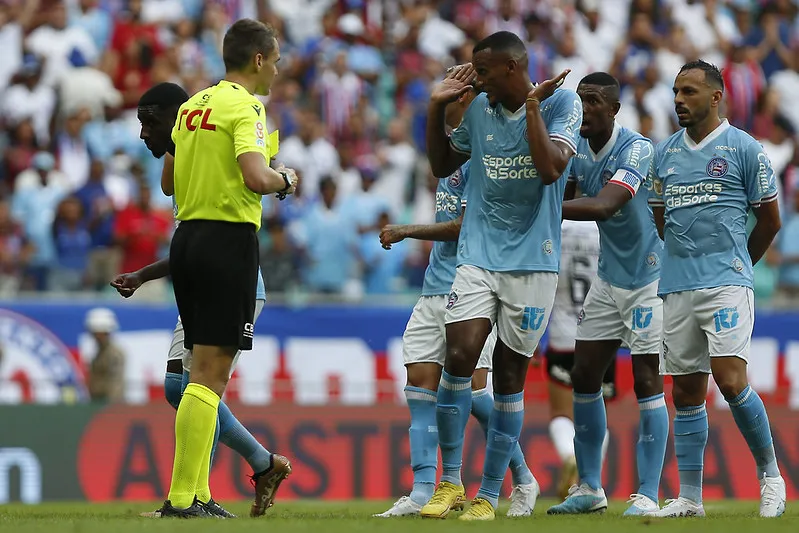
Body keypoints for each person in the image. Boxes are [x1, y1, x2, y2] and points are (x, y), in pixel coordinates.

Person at [420, 31, 582, 521]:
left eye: (484, 71)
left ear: (512, 68)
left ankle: (491, 495)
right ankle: (450, 482)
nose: (477, 80)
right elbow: (442, 163)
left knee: (510, 378)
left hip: (534, 262)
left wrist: (533, 105)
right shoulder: (477, 110)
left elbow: (551, 168)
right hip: (478, 254)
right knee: (460, 353)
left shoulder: (562, 104)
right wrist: (435, 109)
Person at [111, 81, 290, 519]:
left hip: (238, 280)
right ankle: (249, 470)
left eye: (150, 124)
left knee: (197, 385)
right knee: (186, 385)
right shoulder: (188, 159)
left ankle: (194, 496)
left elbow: (207, 231)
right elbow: (182, 222)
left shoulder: (210, 142)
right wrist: (143, 273)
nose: (143, 135)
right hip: (202, 272)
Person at [374, 84, 538, 519]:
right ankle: (425, 488)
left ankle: (521, 476)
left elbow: (466, 225)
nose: (450, 107)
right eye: (446, 100)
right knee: (419, 386)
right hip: (434, 287)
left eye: (458, 98)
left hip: (473, 287)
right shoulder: (449, 161)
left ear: (477, 102)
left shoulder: (488, 159)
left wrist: (408, 230)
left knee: (474, 394)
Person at [157, 19, 299, 518]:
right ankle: (181, 500)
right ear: (258, 60)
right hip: (227, 241)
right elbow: (255, 176)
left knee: (197, 375)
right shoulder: (248, 106)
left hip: (186, 241)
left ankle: (195, 496)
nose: (278, 70)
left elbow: (168, 182)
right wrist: (286, 179)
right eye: (276, 60)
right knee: (209, 380)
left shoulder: (193, 104)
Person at [648, 60, 785, 518]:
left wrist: (739, 263)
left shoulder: (745, 148)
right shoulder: (664, 154)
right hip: (678, 284)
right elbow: (661, 218)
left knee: (729, 379)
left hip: (726, 282)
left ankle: (771, 477)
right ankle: (690, 498)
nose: (679, 100)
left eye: (688, 91)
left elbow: (770, 220)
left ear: (715, 96)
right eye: (675, 92)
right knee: (686, 391)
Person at [547, 72, 667, 516]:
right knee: (583, 376)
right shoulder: (576, 150)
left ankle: (648, 494)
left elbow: (604, 206)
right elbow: (563, 188)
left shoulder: (636, 147)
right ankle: (590, 487)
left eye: (594, 100)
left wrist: (544, 208)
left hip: (650, 280)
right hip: (609, 278)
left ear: (614, 109)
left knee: (646, 381)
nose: (586, 107)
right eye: (580, 100)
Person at [538, 218, 614, 500]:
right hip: (600, 335)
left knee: (561, 415)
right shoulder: (605, 224)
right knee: (598, 415)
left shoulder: (555, 226)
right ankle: (588, 477)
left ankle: (570, 456)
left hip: (562, 335)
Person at [85, 307, 126, 403]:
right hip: (97, 403)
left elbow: (116, 385)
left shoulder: (115, 354)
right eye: (95, 333)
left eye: (100, 333)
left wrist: (110, 407)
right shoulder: (97, 353)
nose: (97, 337)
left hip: (109, 406)